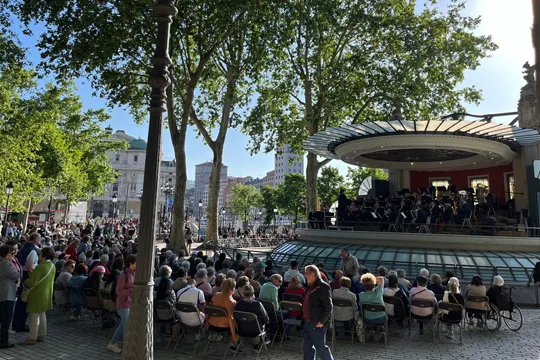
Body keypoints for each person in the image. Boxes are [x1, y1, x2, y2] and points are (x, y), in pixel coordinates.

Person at [22, 246, 56, 345]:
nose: (39, 256)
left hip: (37, 294)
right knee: (42, 314)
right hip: (47, 293)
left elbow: (32, 283)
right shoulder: (52, 266)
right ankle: (42, 335)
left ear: (44, 256)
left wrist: (26, 280)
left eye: (41, 254)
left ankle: (32, 337)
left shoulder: (40, 267)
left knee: (34, 316)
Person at [302, 265, 333, 360]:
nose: (305, 276)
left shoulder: (323, 287)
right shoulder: (310, 286)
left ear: (313, 274)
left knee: (321, 348)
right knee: (307, 349)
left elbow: (328, 306)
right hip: (308, 321)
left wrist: (321, 322)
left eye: (307, 274)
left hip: (317, 323)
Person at [12, 232, 41, 333]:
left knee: (20, 302)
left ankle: (16, 323)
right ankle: (20, 325)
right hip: (26, 276)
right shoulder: (32, 251)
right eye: (39, 239)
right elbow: (31, 267)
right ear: (36, 240)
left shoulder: (24, 248)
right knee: (23, 302)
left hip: (21, 274)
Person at [108, 254, 136, 354]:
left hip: (129, 303)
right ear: (131, 263)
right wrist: (131, 290)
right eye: (136, 263)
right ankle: (127, 347)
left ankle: (113, 343)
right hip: (122, 304)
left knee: (123, 326)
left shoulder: (134, 273)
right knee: (127, 326)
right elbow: (118, 291)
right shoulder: (123, 275)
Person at [0, 245, 20, 348]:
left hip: (3, 293)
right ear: (6, 254)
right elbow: (16, 275)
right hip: (6, 294)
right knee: (6, 319)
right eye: (12, 253)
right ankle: (3, 341)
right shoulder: (5, 264)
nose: (14, 255)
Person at [208, 278, 238, 346]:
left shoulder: (216, 295)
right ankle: (233, 344)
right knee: (239, 323)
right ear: (231, 290)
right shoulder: (231, 302)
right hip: (223, 326)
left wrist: (207, 324)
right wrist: (233, 335)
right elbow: (231, 319)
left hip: (212, 324)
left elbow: (209, 309)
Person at [156, 267, 180, 341]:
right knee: (177, 316)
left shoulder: (157, 293)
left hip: (158, 315)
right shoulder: (171, 293)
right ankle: (174, 337)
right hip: (170, 316)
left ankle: (162, 332)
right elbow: (174, 303)